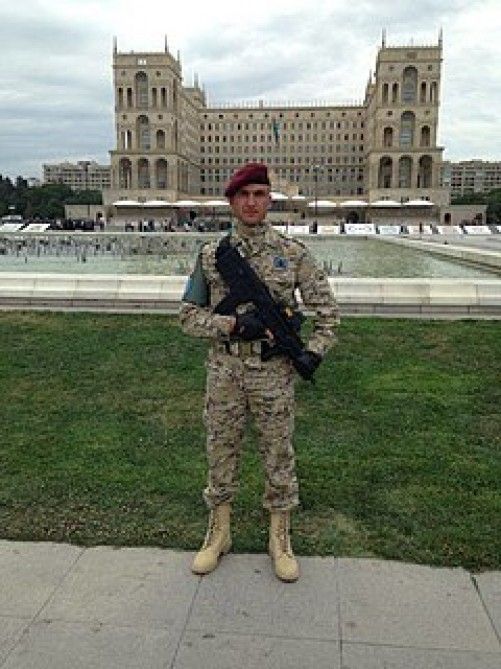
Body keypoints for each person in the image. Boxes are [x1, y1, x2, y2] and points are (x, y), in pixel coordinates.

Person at [179, 163, 339, 582]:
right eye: (243, 195)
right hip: (225, 371)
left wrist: (313, 353)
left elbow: (328, 314)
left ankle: (279, 538)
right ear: (232, 202)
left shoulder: (293, 253)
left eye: (259, 194)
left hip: (273, 374)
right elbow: (187, 317)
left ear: (269, 200)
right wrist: (232, 325)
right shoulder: (212, 256)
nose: (251, 202)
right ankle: (219, 533)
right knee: (220, 450)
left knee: (278, 452)